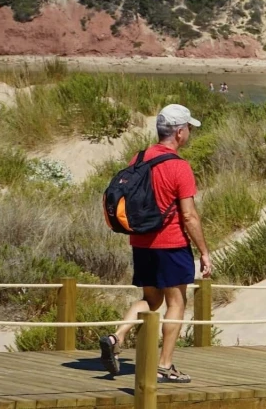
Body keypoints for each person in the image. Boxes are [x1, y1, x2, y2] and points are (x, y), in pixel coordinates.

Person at [99, 104, 211, 384]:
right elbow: (189, 215)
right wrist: (204, 252)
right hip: (171, 243)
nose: (188, 134)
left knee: (151, 300)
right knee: (176, 302)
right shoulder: (179, 167)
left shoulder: (138, 158)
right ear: (180, 133)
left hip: (141, 241)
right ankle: (165, 365)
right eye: (188, 129)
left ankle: (116, 336)